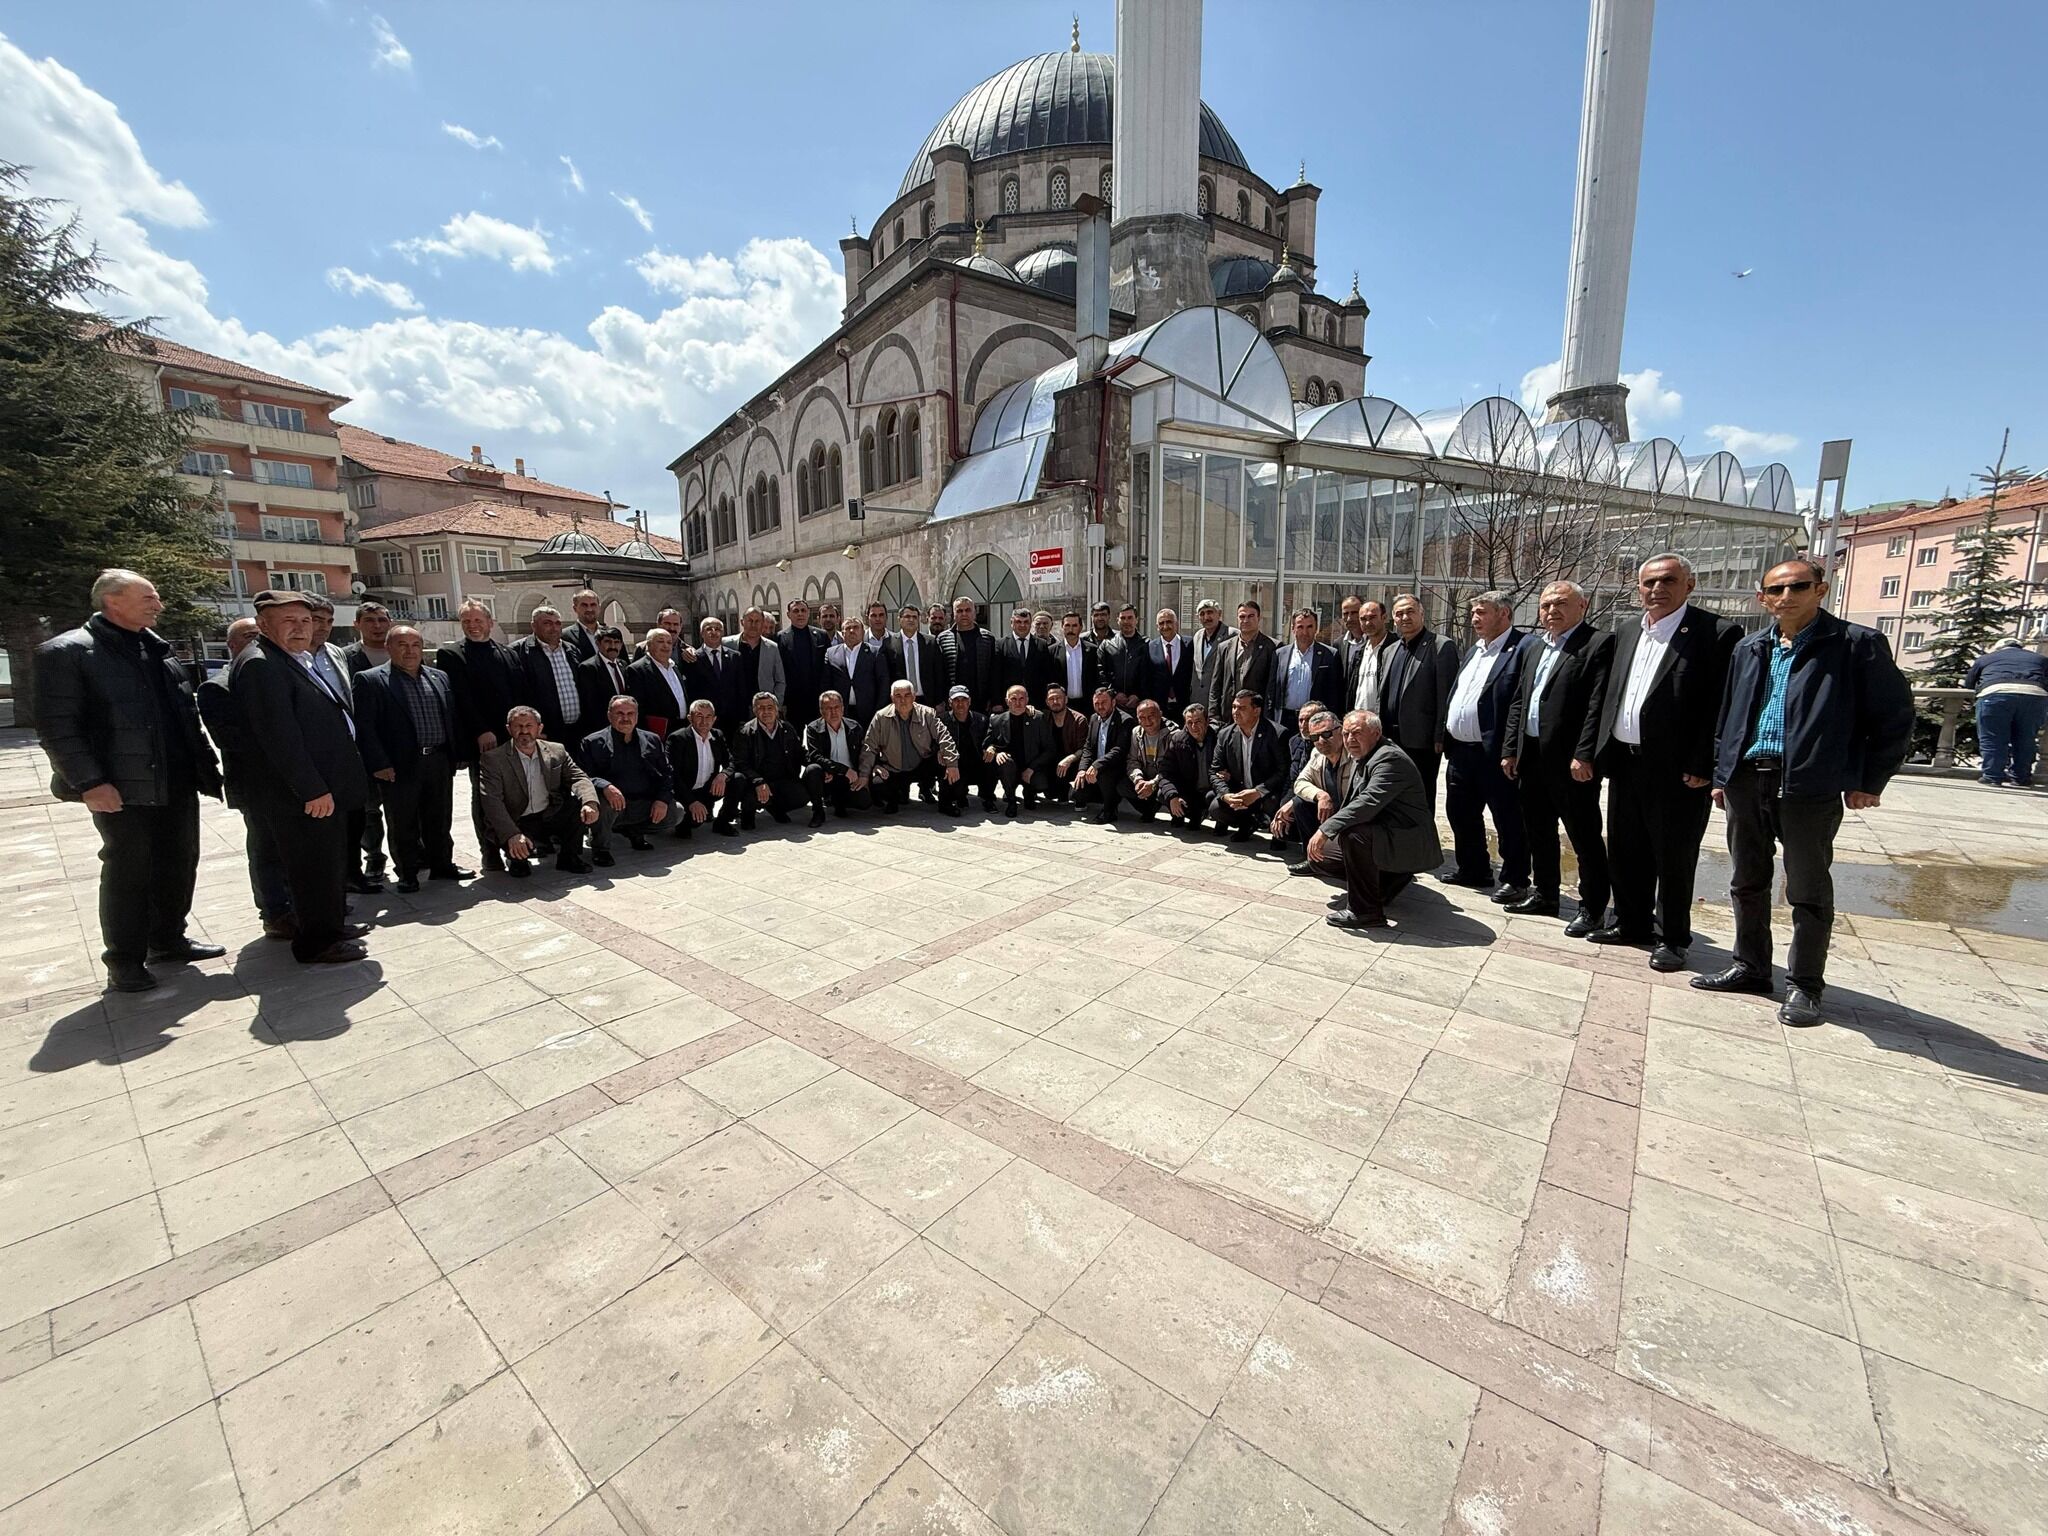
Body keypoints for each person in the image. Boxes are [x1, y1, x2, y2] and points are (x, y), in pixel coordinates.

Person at [1699, 559, 1914, 1026]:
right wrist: (1722, 773)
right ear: (1763, 598)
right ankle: (1751, 966)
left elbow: (1894, 716)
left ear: (1821, 589)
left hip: (1808, 784)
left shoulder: (1856, 645)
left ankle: (1805, 986)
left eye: (1799, 586)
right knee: (1746, 881)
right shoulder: (1750, 647)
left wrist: (1868, 780)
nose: (1787, 596)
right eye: (1777, 589)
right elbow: (1729, 716)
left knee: (1808, 889)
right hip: (1747, 778)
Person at [36, 569, 225, 991]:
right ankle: (124, 958)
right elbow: (57, 728)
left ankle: (168, 939)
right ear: (113, 601)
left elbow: (184, 718)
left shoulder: (159, 652)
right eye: (149, 597)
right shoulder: (67, 652)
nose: (158, 604)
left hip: (175, 781)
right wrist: (89, 782)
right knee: (129, 871)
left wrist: (205, 769)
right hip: (122, 788)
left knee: (179, 862)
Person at [1593, 554, 1743, 971]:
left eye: (1668, 580)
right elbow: (1612, 696)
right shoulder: (1626, 631)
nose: (1657, 589)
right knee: (1625, 849)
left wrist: (1704, 763)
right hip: (1626, 761)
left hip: (1679, 771)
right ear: (1637, 588)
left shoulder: (1716, 634)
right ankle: (1629, 923)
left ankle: (1673, 937)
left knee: (1673, 857)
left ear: (1689, 585)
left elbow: (1719, 705)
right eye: (1649, 582)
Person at [231, 589, 369, 963]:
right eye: (288, 621)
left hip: (324, 788)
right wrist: (312, 788)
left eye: (305, 621)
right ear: (263, 624)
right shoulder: (261, 664)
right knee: (311, 869)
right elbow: (279, 737)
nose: (300, 629)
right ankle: (317, 942)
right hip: (306, 796)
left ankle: (331, 927)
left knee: (328, 864)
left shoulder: (290, 659)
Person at [1501, 581, 1613, 936]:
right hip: (1531, 755)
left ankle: (1592, 907)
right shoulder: (1535, 648)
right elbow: (1520, 700)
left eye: (1561, 604)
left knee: (1583, 836)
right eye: (1546, 605)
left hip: (1570, 762)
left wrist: (1585, 754)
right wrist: (1510, 749)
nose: (1552, 611)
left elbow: (1597, 705)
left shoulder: (1597, 644)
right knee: (1538, 830)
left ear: (1583, 605)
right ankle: (1545, 893)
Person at [354, 625, 472, 894]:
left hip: (438, 759)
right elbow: (365, 728)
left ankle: (442, 864)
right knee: (402, 821)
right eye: (402, 645)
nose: (410, 651)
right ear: (389, 648)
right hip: (399, 765)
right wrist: (379, 764)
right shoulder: (371, 680)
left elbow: (451, 717)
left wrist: (457, 753)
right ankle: (407, 872)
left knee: (440, 817)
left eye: (415, 645)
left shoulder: (439, 677)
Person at [199, 618, 294, 941]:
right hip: (259, 785)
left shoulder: (279, 674)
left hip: (295, 782)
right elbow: (237, 742)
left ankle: (300, 905)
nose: (256, 641)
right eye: (249, 636)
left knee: (293, 849)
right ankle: (275, 912)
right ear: (232, 645)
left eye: (260, 635)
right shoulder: (218, 687)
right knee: (266, 848)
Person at [1308, 710, 1444, 931]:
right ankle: (1385, 883)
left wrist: (1325, 830)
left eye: (1357, 733)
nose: (1350, 740)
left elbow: (1368, 802)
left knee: (1354, 836)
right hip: (1385, 832)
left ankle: (1366, 911)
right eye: (1346, 734)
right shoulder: (1363, 755)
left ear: (1376, 733)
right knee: (1320, 857)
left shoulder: (1389, 758)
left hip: (1406, 839)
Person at [1442, 592, 1533, 903]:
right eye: (1473, 613)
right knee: (1460, 812)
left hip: (1495, 753)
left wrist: (1511, 749)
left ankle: (1516, 878)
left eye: (1481, 612)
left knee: (1507, 817)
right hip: (1461, 751)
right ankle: (1473, 868)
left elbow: (1519, 705)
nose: (1474, 619)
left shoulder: (1522, 649)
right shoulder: (1475, 650)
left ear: (1504, 613)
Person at [436, 597, 522, 872]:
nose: (473, 626)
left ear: (490, 622)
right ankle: (490, 851)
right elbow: (461, 698)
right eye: (467, 621)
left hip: (511, 738)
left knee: (514, 795)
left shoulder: (507, 653)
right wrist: (481, 730)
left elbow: (518, 694)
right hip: (482, 742)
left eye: (478, 620)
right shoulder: (453, 655)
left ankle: (514, 849)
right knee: (485, 797)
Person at [478, 705, 599, 876]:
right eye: (518, 726)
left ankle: (568, 857)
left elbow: (578, 777)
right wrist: (512, 834)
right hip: (517, 819)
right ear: (508, 729)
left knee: (576, 804)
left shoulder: (556, 750)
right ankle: (516, 858)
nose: (524, 731)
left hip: (548, 813)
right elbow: (491, 802)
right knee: (521, 872)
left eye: (529, 726)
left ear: (539, 728)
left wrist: (590, 802)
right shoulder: (493, 759)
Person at [308, 595, 377, 893]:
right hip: (316, 756)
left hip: (349, 751)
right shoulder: (290, 658)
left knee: (355, 816)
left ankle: (352, 874)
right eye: (316, 620)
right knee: (323, 826)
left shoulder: (335, 654)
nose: (322, 627)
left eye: (327, 621)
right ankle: (328, 887)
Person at [1377, 594, 1459, 807]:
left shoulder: (1440, 647)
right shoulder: (1389, 651)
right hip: (1390, 738)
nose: (1405, 617)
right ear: (1393, 619)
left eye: (1410, 611)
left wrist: (1440, 735)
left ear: (1422, 614)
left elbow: (1446, 696)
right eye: (1399, 613)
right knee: (1391, 796)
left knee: (1420, 799)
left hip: (1421, 741)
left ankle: (1422, 840)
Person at [579, 695, 676, 862]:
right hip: (613, 805)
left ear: (637, 716)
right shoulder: (592, 742)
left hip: (642, 803)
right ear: (609, 715)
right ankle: (600, 847)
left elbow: (667, 774)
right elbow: (583, 775)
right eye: (620, 713)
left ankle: (634, 831)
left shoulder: (652, 739)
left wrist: (662, 800)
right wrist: (605, 786)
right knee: (603, 804)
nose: (625, 718)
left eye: (630, 713)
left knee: (676, 811)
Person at [861, 679, 961, 814]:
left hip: (921, 764)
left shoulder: (927, 713)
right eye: (898, 696)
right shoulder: (881, 717)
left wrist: (952, 763)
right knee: (876, 783)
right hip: (893, 767)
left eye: (907, 695)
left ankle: (946, 804)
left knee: (945, 763)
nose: (903, 700)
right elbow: (869, 747)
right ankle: (893, 800)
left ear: (914, 697)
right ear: (892, 698)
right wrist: (865, 774)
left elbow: (944, 737)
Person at [1966, 635, 2048, 787]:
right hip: (2035, 697)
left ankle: (1992, 776)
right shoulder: (2041, 659)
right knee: (2026, 738)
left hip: (1995, 695)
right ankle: (2021, 778)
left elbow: (1969, 683)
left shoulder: (1985, 659)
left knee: (1992, 738)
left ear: (1999, 648)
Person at [1209, 688, 1290, 842]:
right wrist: (1226, 795)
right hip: (1238, 792)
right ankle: (1247, 824)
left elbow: (1283, 771)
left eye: (1242, 708)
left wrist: (1258, 792)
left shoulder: (1277, 734)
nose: (1235, 712)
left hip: (1265, 792)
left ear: (1256, 711)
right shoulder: (1225, 734)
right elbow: (1215, 771)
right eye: (1234, 707)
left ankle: (1277, 832)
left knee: (1274, 801)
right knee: (1215, 806)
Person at [1272, 708, 1346, 863]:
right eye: (1314, 737)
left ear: (1340, 730)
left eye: (1326, 734)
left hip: (1351, 816)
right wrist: (1321, 795)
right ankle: (1311, 858)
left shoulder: (1354, 754)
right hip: (1328, 811)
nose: (1321, 741)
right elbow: (1300, 782)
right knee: (1299, 803)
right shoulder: (1317, 754)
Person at [511, 605, 590, 746]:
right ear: (533, 626)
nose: (554, 628)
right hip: (544, 733)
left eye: (557, 623)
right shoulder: (518, 652)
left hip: (577, 730)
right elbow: (517, 694)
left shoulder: (571, 650)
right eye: (547, 623)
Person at [1267, 609, 1344, 743]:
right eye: (1300, 627)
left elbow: (1335, 694)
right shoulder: (1280, 654)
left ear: (1316, 628)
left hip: (1315, 720)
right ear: (1293, 628)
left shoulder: (1329, 655)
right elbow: (1271, 691)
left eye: (1309, 627)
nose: (1305, 632)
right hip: (1285, 718)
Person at [732, 691, 808, 828]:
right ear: (754, 710)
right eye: (761, 708)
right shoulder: (745, 732)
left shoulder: (787, 728)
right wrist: (758, 782)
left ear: (777, 709)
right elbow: (740, 763)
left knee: (802, 796)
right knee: (744, 790)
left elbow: (801, 753)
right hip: (757, 782)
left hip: (783, 779)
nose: (766, 712)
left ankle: (775, 807)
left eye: (770, 707)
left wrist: (819, 765)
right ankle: (748, 811)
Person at [1124, 699, 1199, 823]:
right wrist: (1138, 779)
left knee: (1164, 792)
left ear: (1160, 714)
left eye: (1151, 716)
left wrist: (1153, 784)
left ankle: (1178, 813)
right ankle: (1148, 810)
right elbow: (1132, 760)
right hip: (1146, 776)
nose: (1147, 722)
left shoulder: (1173, 734)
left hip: (1166, 779)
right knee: (1122, 785)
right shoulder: (1136, 732)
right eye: (1142, 718)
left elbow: (1172, 769)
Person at [802, 689, 871, 825]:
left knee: (864, 802)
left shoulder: (854, 727)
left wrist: (863, 775)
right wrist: (841, 769)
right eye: (828, 708)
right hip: (827, 777)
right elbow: (815, 756)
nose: (833, 712)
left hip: (849, 778)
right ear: (821, 711)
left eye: (836, 707)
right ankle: (818, 812)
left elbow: (864, 753)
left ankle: (839, 803)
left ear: (843, 708)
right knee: (813, 769)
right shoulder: (813, 729)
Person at [670, 699, 736, 836]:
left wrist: (723, 775)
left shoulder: (717, 735)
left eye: (708, 717)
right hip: (686, 793)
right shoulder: (678, 738)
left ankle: (722, 822)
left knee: (738, 780)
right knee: (691, 826)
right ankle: (684, 822)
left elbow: (730, 761)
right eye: (699, 716)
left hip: (708, 789)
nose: (704, 721)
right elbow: (673, 776)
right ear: (690, 718)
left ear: (714, 719)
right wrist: (691, 802)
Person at [985, 684, 1054, 816]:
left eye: (1021, 698)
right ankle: (1011, 801)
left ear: (1027, 700)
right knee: (1005, 763)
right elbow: (987, 744)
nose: (1018, 703)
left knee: (1041, 783)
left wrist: (1032, 768)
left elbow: (1049, 749)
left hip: (1031, 767)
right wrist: (996, 751)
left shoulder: (1037, 718)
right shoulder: (997, 720)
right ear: (1007, 701)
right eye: (1013, 699)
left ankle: (1029, 792)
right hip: (1010, 767)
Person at [1070, 684, 1133, 823]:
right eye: (1096, 703)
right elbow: (1088, 747)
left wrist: (1097, 765)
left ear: (1113, 702)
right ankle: (1102, 796)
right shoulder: (1093, 719)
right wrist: (1082, 770)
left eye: (1103, 702)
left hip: (1115, 767)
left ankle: (1110, 809)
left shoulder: (1125, 720)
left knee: (1105, 775)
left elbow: (1119, 750)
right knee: (1076, 793)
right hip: (1095, 767)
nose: (1100, 707)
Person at [1210, 600, 1277, 720]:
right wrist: (1214, 717)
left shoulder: (1272, 647)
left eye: (1251, 616)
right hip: (1229, 716)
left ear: (1259, 618)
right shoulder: (1224, 647)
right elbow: (1216, 685)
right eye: (1242, 616)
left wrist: (1268, 717)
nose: (1246, 620)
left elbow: (1273, 688)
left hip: (1257, 716)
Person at [687, 616, 750, 735]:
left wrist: (743, 717)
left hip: (732, 719)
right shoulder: (693, 659)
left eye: (718, 629)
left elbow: (741, 689)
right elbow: (691, 690)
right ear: (701, 633)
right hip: (705, 720)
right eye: (709, 629)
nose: (714, 632)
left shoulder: (735, 657)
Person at [626, 626, 692, 738]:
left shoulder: (674, 667)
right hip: (658, 733)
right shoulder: (637, 670)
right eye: (660, 641)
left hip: (682, 730)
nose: (666, 645)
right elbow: (638, 707)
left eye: (669, 642)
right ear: (649, 645)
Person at [827, 616, 892, 721]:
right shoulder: (831, 653)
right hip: (841, 712)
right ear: (842, 633)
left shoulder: (875, 653)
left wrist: (879, 710)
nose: (852, 631)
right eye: (848, 628)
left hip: (868, 712)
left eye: (856, 627)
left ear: (862, 632)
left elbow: (883, 683)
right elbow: (826, 684)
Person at [938, 596, 998, 711]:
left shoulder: (987, 638)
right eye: (959, 611)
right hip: (953, 700)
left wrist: (994, 699)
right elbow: (939, 672)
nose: (964, 614)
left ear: (974, 613)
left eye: (968, 610)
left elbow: (994, 670)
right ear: (953, 614)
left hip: (981, 700)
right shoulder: (943, 639)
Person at [778, 597, 831, 728]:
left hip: (817, 698)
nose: (800, 614)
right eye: (796, 611)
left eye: (803, 610)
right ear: (788, 615)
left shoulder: (821, 636)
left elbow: (828, 667)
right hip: (793, 701)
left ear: (808, 613)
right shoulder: (780, 638)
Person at [942, 685, 995, 810]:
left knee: (993, 760)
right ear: (950, 702)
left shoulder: (981, 719)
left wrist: (992, 747)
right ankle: (955, 796)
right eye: (956, 700)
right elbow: (936, 743)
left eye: (964, 700)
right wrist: (939, 751)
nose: (960, 704)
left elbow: (991, 738)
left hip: (976, 763)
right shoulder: (942, 720)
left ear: (969, 701)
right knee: (956, 792)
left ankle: (987, 797)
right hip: (955, 764)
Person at [1166, 702, 1219, 824]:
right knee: (1163, 793)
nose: (1194, 726)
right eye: (1190, 723)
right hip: (1190, 790)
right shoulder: (1178, 740)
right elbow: (1166, 771)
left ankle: (1220, 822)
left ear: (1207, 721)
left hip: (1213, 790)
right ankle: (1185, 814)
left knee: (1214, 800)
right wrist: (1172, 796)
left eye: (1198, 721)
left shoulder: (1219, 738)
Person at [578, 626, 638, 731]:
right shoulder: (588, 668)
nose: (613, 646)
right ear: (598, 643)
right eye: (608, 642)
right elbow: (590, 704)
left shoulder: (623, 665)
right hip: (602, 727)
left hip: (626, 725)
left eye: (617, 642)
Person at [1342, 599, 1393, 716]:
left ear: (1384, 617)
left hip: (1382, 722)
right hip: (1358, 720)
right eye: (1363, 619)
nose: (1368, 623)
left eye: (1372, 617)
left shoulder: (1395, 650)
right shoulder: (1359, 653)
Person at [996, 607, 1055, 707]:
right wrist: (996, 702)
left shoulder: (1042, 645)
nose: (1022, 625)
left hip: (1036, 703)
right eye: (1018, 622)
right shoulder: (1001, 644)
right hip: (1010, 703)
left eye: (1026, 622)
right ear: (1011, 623)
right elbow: (996, 676)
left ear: (1030, 623)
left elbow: (1047, 675)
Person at [1042, 685, 1090, 805]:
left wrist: (1069, 759)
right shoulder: (1043, 717)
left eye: (1059, 698)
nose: (1055, 702)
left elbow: (1084, 748)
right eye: (1051, 699)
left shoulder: (1079, 719)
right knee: (1049, 793)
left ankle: (1074, 791)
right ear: (1047, 702)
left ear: (1066, 699)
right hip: (1051, 762)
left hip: (1072, 762)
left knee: (1077, 795)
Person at [1145, 609, 1196, 722]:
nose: (1165, 626)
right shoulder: (1150, 647)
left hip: (1185, 704)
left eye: (1169, 622)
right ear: (1157, 626)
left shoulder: (1190, 644)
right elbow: (1147, 677)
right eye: (1161, 623)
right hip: (1160, 706)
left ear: (1176, 624)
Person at [734, 607, 787, 710]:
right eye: (750, 621)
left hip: (764, 708)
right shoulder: (727, 644)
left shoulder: (772, 647)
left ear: (762, 623)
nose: (753, 625)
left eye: (757, 621)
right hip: (735, 707)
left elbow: (780, 680)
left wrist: (776, 705)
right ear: (742, 622)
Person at [889, 606, 942, 707]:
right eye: (907, 616)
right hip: (901, 701)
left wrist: (939, 701)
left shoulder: (930, 642)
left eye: (914, 617)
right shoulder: (889, 644)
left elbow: (939, 673)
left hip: (927, 700)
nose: (911, 620)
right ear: (899, 619)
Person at [1098, 605, 1148, 713]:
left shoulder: (1146, 644)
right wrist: (1114, 693)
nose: (1126, 621)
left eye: (1130, 618)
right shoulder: (1107, 644)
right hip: (1114, 704)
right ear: (1117, 621)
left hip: (1139, 705)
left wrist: (1138, 695)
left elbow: (1149, 674)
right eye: (1123, 618)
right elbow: (1100, 672)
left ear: (1136, 620)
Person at [1049, 611, 1100, 713]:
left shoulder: (1092, 650)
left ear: (1080, 627)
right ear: (1062, 627)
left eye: (1074, 625)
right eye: (1067, 625)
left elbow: (1096, 677)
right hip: (1062, 706)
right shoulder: (1052, 651)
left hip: (1087, 705)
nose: (1070, 630)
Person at [1188, 600, 1229, 721]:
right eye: (1202, 614)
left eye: (1210, 612)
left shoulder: (1232, 635)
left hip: (1219, 702)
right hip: (1198, 701)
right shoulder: (1197, 636)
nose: (1206, 617)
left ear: (1219, 614)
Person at [342, 601, 393, 673]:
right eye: (369, 621)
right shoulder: (344, 657)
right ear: (357, 624)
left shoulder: (407, 651)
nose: (377, 626)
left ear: (390, 623)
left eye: (382, 620)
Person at [564, 589, 605, 661]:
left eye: (593, 605)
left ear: (599, 607)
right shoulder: (565, 636)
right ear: (575, 608)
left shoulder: (611, 633)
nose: (589, 609)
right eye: (584, 605)